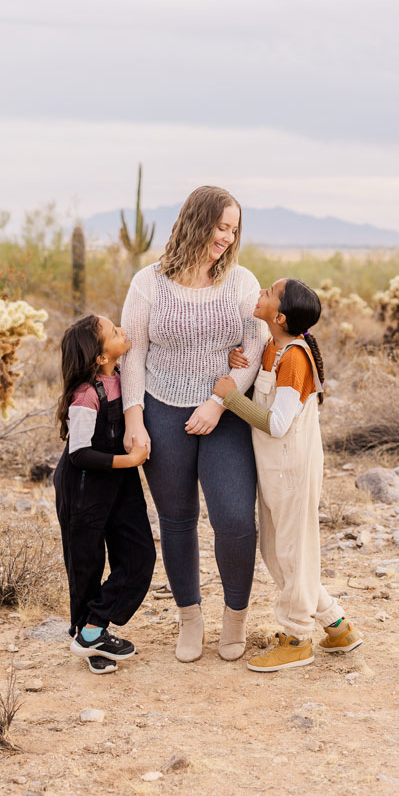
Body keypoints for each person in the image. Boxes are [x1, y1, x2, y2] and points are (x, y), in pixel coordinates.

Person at [121, 186, 265, 663]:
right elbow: (134, 354)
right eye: (221, 226)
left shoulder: (242, 282)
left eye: (234, 229)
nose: (227, 236)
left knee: (235, 521)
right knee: (177, 520)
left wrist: (216, 404)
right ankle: (189, 617)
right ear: (196, 221)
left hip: (223, 412)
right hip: (161, 408)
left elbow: (254, 349)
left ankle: (235, 616)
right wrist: (134, 419)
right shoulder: (149, 282)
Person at [214, 278, 362, 671]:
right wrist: (238, 366)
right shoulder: (272, 347)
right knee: (277, 551)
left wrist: (229, 397)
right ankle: (336, 624)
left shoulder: (294, 358)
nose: (260, 292)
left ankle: (297, 637)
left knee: (293, 551)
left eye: (268, 293)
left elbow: (277, 424)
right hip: (275, 469)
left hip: (291, 468)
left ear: (278, 316)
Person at [53, 314, 156, 674]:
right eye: (114, 331)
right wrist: (129, 461)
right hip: (84, 486)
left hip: (119, 482)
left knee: (139, 555)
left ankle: (93, 628)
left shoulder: (123, 372)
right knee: (86, 565)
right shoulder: (85, 396)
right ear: (100, 357)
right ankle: (91, 634)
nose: (123, 331)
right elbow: (79, 453)